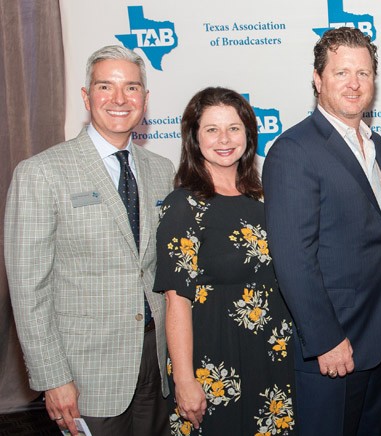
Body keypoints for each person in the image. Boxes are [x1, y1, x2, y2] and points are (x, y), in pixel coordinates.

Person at [5, 45, 174, 436]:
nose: (119, 99)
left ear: (145, 101)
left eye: (131, 88)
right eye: (105, 86)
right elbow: (29, 289)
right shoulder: (41, 173)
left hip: (154, 364)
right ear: (86, 96)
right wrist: (52, 377)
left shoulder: (161, 170)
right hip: (86, 373)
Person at [262, 27, 381, 436]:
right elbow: (292, 257)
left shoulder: (374, 145)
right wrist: (324, 339)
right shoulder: (295, 150)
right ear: (318, 80)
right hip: (334, 344)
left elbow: (380, 227)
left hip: (379, 337)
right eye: (341, 73)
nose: (354, 83)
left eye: (364, 73)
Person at [153, 87, 295, 435]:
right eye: (212, 129)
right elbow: (176, 300)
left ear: (248, 133)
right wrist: (185, 380)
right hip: (214, 368)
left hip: (271, 360)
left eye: (234, 128)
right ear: (193, 138)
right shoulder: (184, 206)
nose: (224, 139)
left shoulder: (262, 200)